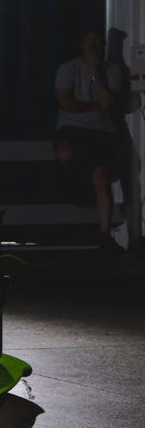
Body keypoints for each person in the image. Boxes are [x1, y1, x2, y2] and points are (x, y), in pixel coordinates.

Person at [53, 26, 130, 256]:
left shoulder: (112, 70)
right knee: (66, 153)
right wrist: (96, 108)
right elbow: (66, 103)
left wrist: (95, 73)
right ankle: (76, 191)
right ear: (81, 44)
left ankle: (105, 236)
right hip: (72, 128)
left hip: (102, 130)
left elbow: (108, 102)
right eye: (90, 40)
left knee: (102, 175)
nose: (95, 45)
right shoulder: (68, 69)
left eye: (99, 41)